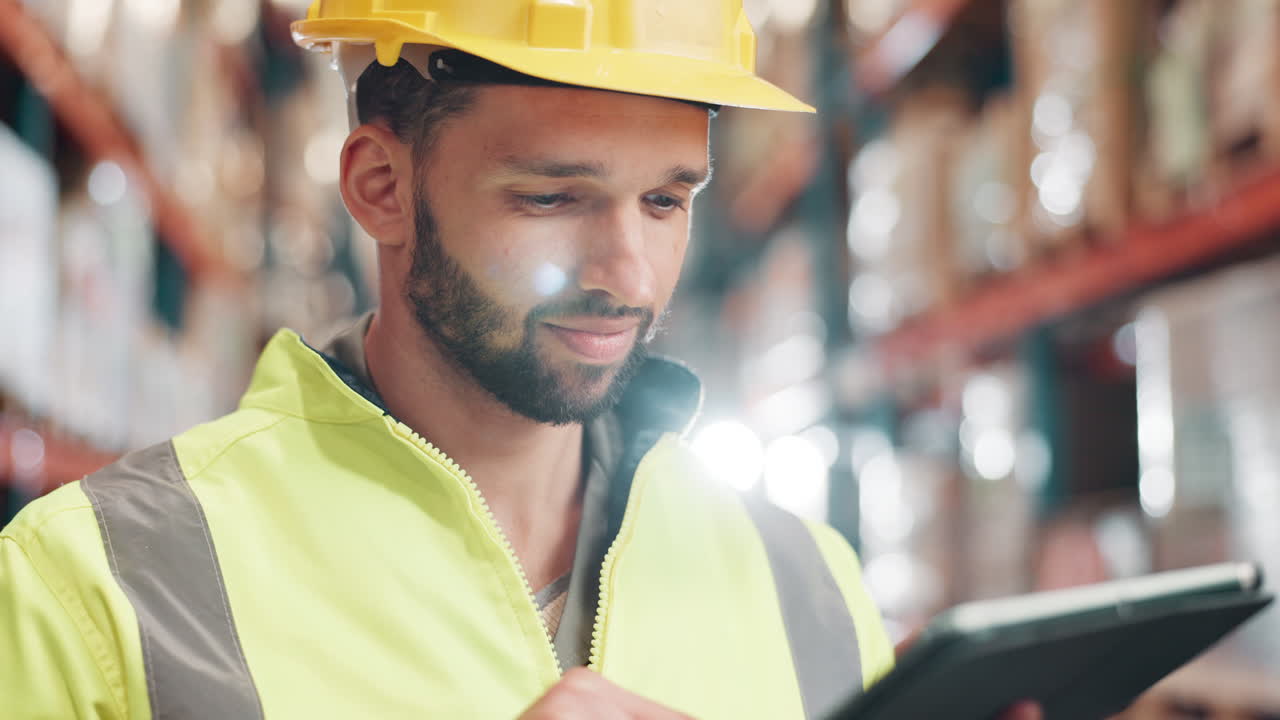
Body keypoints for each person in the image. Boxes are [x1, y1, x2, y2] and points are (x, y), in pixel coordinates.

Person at [0, 2, 1043, 718]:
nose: (626, 273)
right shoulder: (98, 582)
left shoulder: (806, 583)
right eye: (552, 199)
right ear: (378, 187)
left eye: (666, 201)